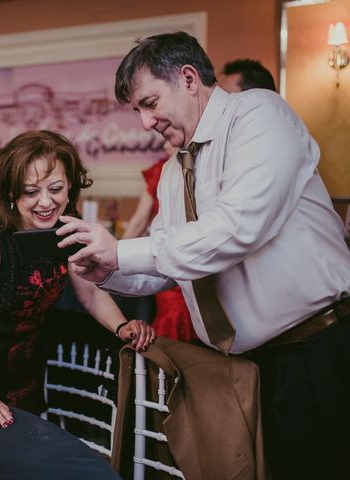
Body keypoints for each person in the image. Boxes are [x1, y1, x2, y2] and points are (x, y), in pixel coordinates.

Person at [57, 31, 350, 479]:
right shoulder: (177, 171)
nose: (145, 123)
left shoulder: (259, 116)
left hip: (315, 352)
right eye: (138, 110)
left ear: (189, 79)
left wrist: (123, 249)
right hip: (249, 368)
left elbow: (237, 228)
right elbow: (166, 266)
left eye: (150, 103)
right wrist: (107, 269)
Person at [0, 130, 156, 428]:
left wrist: (121, 326)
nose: (45, 202)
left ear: (70, 188)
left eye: (55, 189)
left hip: (25, 374)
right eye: (30, 192)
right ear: (11, 193)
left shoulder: (65, 225)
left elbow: (89, 293)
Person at [122, 142, 197, 343]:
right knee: (172, 317)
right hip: (166, 256)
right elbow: (138, 221)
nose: (164, 145)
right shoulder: (160, 171)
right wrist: (115, 256)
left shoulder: (201, 167)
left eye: (168, 140)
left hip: (196, 254)